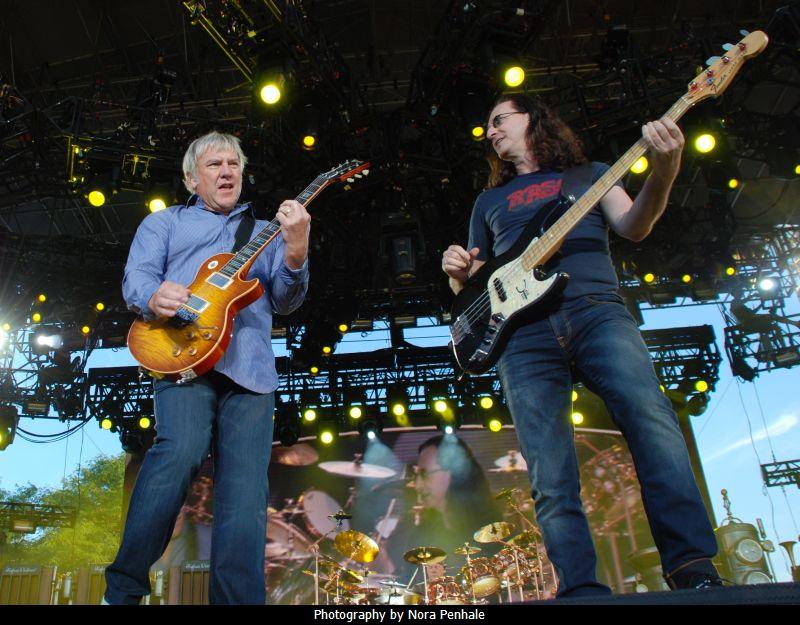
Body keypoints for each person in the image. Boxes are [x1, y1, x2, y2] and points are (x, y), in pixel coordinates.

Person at [441, 94, 722, 597]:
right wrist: (458, 274)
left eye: (499, 119)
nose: (491, 131)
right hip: (523, 335)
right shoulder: (488, 202)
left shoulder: (591, 174)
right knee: (549, 468)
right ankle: (580, 590)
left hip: (595, 311)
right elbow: (481, 288)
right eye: (487, 125)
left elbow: (634, 225)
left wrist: (665, 169)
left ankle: (692, 567)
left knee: (652, 422)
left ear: (534, 118)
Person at [104, 131, 310, 604]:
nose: (226, 171)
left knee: (245, 497)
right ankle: (122, 592)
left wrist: (297, 247)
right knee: (180, 451)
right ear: (191, 178)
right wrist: (154, 295)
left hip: (250, 369)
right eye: (215, 164)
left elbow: (287, 300)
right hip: (181, 355)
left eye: (233, 163)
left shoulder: (266, 232)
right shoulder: (165, 223)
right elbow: (137, 279)